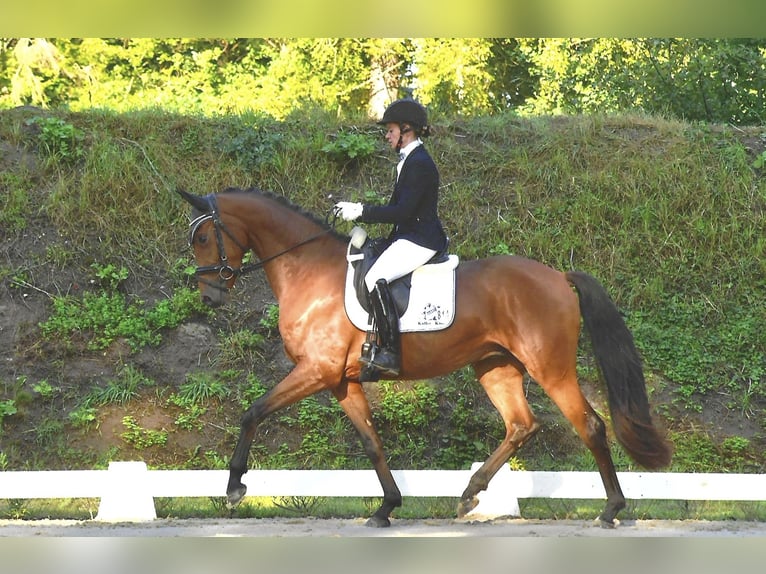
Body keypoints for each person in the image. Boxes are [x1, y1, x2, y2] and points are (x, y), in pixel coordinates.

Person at [334, 98, 448, 376]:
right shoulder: (408, 160)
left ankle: (390, 353)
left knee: (374, 278)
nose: (386, 135)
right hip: (408, 235)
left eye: (390, 130)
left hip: (421, 239)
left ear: (406, 129)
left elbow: (402, 212)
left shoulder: (419, 163)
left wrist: (361, 211)